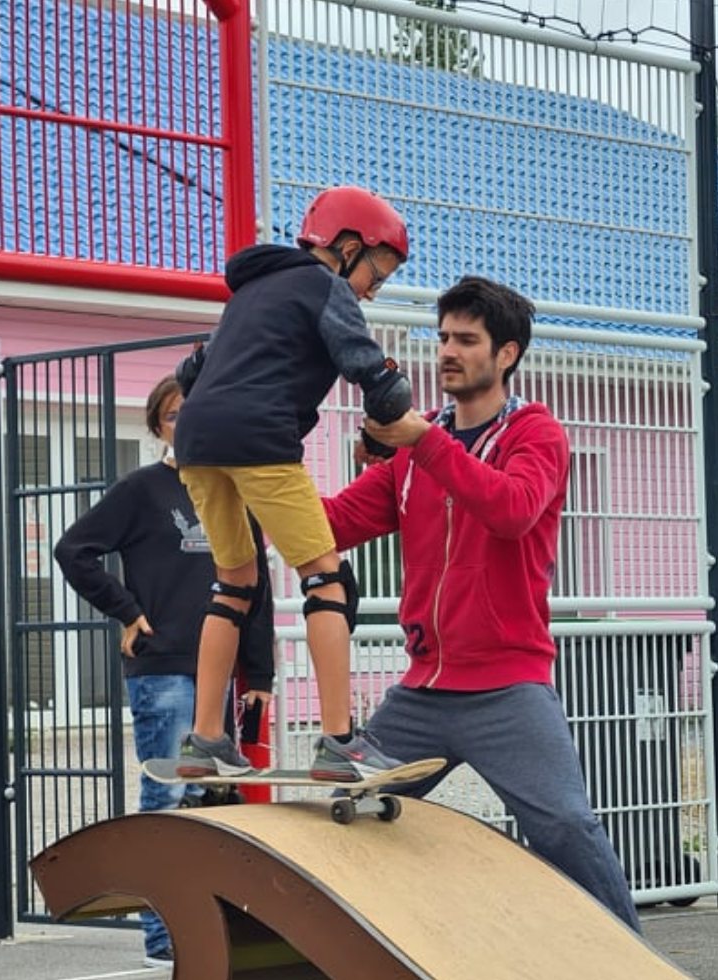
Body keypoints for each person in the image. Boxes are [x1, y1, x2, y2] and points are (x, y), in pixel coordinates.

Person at [322, 275, 641, 932]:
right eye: (442, 338)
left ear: (506, 355)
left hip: (507, 687)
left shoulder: (535, 433)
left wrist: (422, 442)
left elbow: (512, 511)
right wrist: (256, 482)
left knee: (565, 827)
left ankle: (637, 962)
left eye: (466, 340)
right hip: (422, 693)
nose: (447, 351)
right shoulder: (416, 451)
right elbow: (333, 524)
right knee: (344, 815)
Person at [172, 185, 411, 781]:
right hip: (260, 438)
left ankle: (204, 740)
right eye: (374, 275)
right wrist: (384, 425)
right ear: (348, 247)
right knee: (326, 579)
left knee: (234, 583)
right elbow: (375, 376)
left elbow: (189, 372)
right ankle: (339, 742)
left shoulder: (252, 291)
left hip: (196, 441)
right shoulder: (325, 286)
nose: (371, 291)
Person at [54, 374, 275, 969]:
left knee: (214, 805)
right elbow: (73, 549)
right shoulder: (143, 490)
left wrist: (259, 675)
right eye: (173, 414)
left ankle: (213, 930)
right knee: (168, 797)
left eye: (194, 411)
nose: (184, 422)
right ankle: (162, 939)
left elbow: (256, 587)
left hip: (220, 677)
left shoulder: (231, 489)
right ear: (157, 425)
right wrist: (126, 611)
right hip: (166, 670)